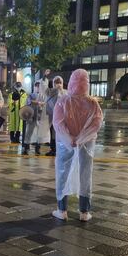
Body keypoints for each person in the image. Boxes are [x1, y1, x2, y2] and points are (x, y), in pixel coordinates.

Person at [52, 69, 103, 222]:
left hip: (65, 145)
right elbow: (96, 124)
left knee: (62, 173)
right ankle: (84, 212)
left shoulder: (63, 101)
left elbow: (58, 123)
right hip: (86, 145)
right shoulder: (93, 103)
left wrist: (69, 139)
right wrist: (81, 139)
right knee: (85, 175)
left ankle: (62, 210)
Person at [22, 80, 50, 155]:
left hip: (39, 118)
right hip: (31, 117)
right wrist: (38, 103)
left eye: (39, 86)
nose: (37, 87)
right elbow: (29, 102)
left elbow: (46, 104)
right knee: (29, 132)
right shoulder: (31, 95)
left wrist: (42, 104)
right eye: (36, 86)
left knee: (38, 134)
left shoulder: (43, 96)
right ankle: (26, 147)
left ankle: (37, 148)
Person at [45, 74, 67, 156]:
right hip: (52, 117)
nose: (58, 84)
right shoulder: (50, 92)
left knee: (61, 134)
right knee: (53, 134)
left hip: (62, 118)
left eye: (60, 82)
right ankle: (53, 149)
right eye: (56, 82)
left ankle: (60, 149)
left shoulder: (66, 92)